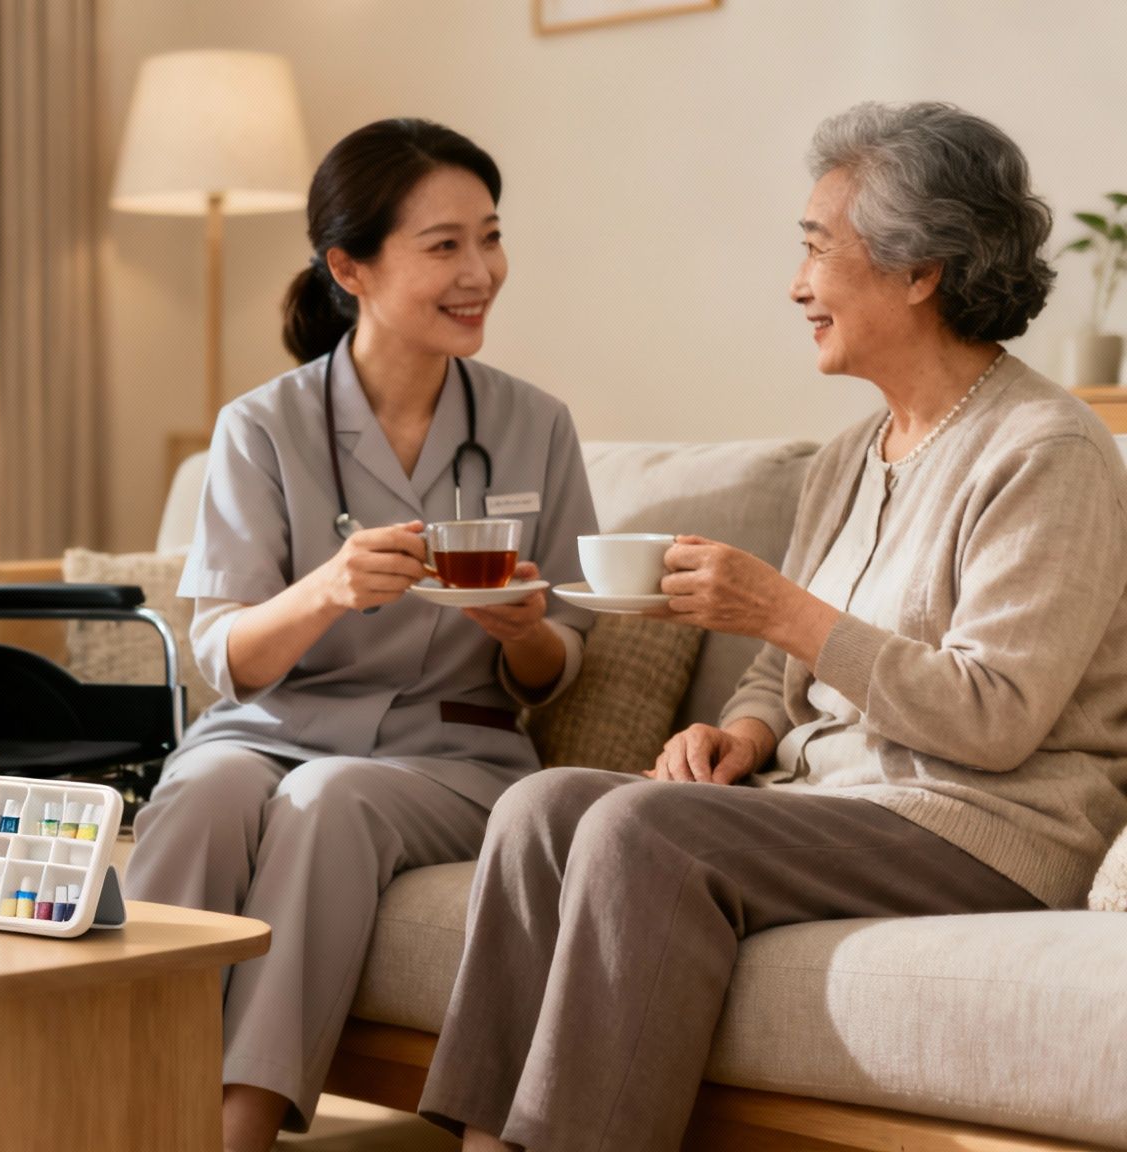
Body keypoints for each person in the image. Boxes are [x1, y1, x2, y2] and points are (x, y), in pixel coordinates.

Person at [425, 101, 1127, 1152]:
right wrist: (739, 738)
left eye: (814, 250)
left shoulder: (1045, 451)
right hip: (841, 802)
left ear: (915, 269)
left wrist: (785, 611)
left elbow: (995, 721)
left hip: (989, 826)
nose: (794, 286)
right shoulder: (848, 455)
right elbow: (773, 678)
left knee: (636, 828)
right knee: (542, 808)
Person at [122, 117, 599, 1152]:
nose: (480, 271)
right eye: (444, 246)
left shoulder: (534, 424)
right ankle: (108, 1099)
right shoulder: (261, 426)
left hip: (451, 751)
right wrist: (327, 590)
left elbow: (560, 658)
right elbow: (227, 659)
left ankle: (231, 1135)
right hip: (269, 722)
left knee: (326, 798)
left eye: (489, 237)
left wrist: (524, 633)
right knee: (201, 792)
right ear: (349, 266)